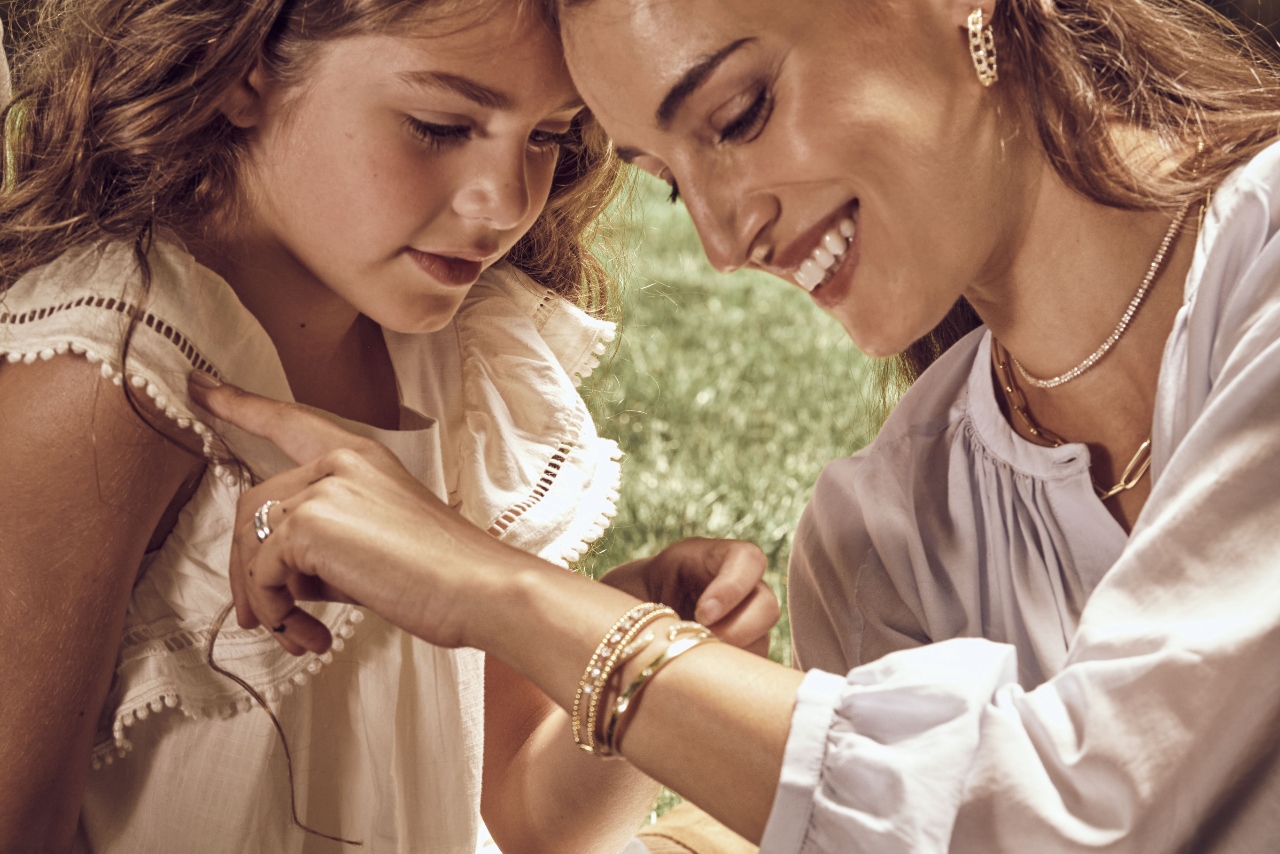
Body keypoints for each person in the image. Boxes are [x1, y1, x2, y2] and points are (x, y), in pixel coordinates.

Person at [190, 0, 1280, 850]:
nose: (721, 237)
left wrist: (499, 590)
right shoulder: (887, 537)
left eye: (737, 116)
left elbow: (1091, 812)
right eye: (668, 183)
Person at [0, 1, 780, 851]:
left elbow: (524, 812)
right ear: (244, 69)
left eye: (548, 137)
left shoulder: (454, 353)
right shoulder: (109, 376)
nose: (504, 201)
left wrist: (644, 650)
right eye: (441, 126)